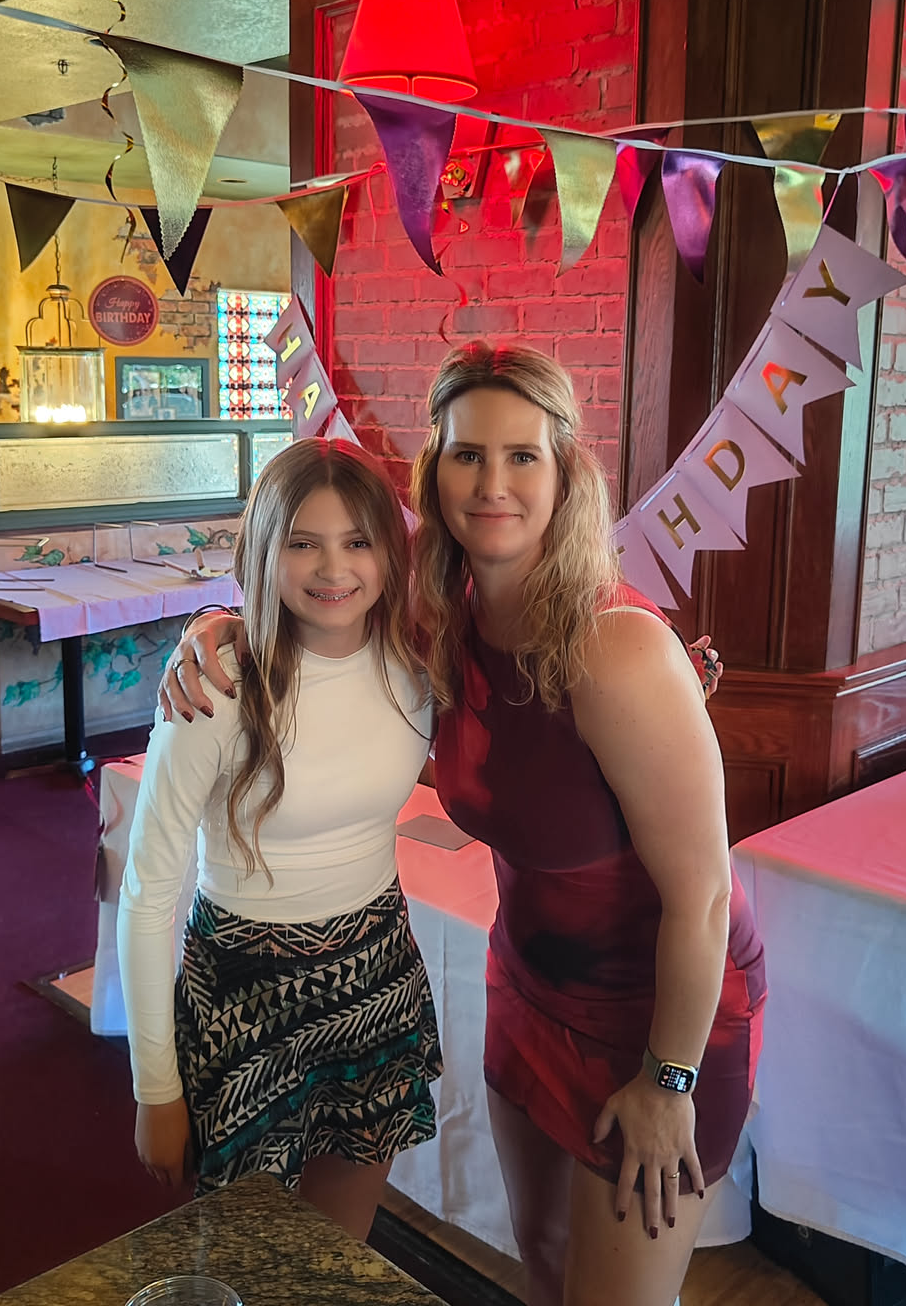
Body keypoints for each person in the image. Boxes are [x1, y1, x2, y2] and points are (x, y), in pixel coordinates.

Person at [165, 345, 765, 1306]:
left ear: (564, 473)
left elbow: (702, 897)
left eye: (522, 456)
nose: (492, 484)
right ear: (433, 473)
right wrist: (214, 626)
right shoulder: (441, 619)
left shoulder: (616, 649)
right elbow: (313, 606)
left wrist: (670, 1081)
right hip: (526, 982)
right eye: (467, 455)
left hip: (661, 1013)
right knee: (544, 1257)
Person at [117, 436, 442, 1242]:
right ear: (264, 551)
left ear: (390, 552)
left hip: (376, 969)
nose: (333, 569)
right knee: (246, 1251)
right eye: (303, 543)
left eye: (357, 542)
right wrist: (155, 1087)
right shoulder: (216, 688)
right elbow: (148, 890)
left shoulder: (418, 664)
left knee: (337, 1246)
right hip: (245, 989)